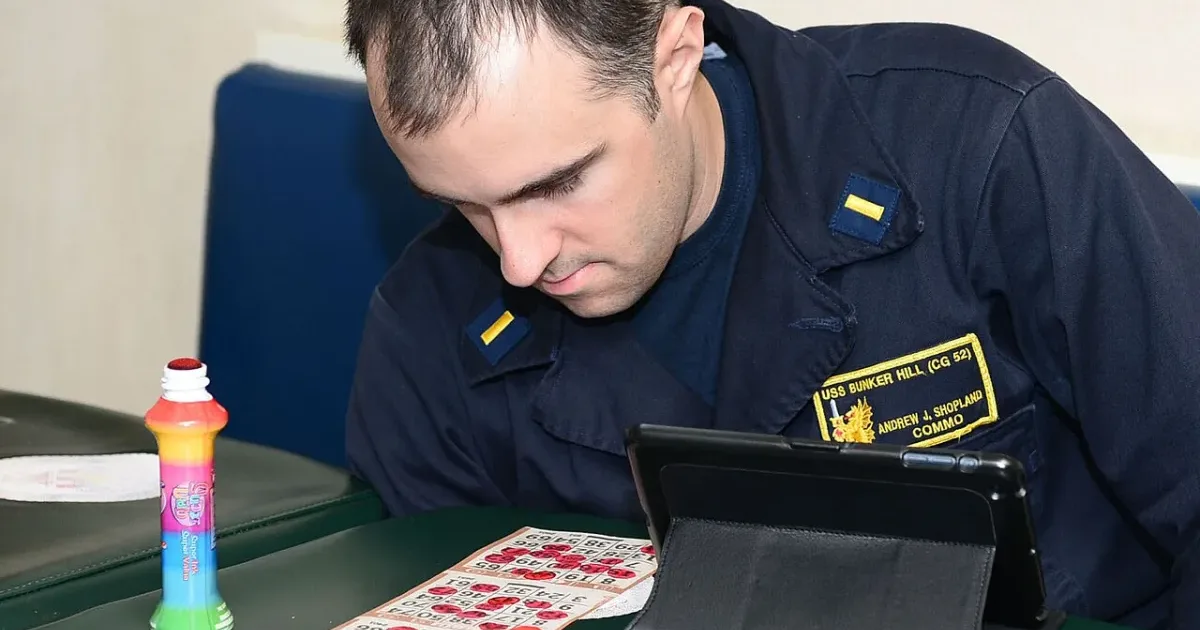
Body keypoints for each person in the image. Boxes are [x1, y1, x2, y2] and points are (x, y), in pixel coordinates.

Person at [341, 0, 1200, 627]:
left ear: (675, 55)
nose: (520, 260)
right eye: (465, 205)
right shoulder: (431, 325)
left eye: (558, 183)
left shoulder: (982, 149)